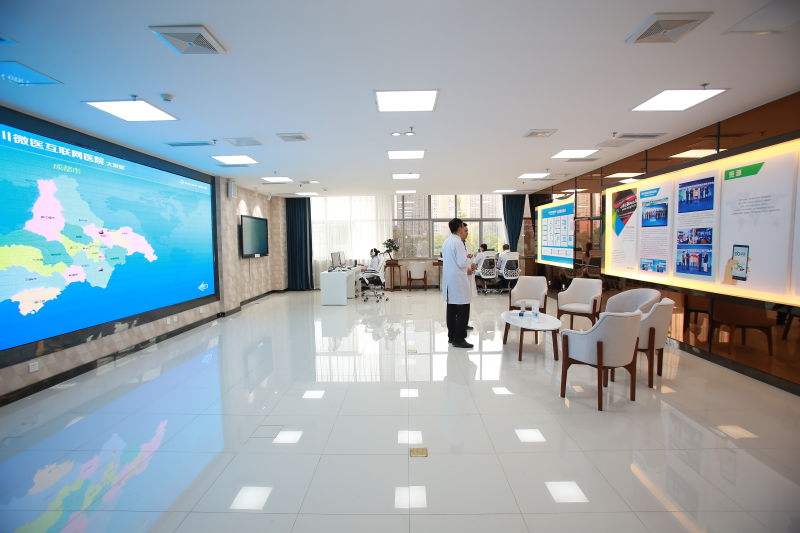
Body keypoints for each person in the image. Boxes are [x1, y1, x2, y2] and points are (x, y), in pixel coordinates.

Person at [441, 217, 475, 348]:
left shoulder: (446, 241)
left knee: (451, 310)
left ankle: (451, 336)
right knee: (463, 310)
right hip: (458, 281)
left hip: (449, 281)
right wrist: (469, 261)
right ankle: (459, 339)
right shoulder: (458, 242)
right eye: (462, 226)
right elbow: (461, 263)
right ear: (459, 228)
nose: (463, 229)